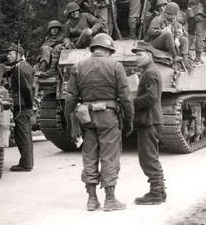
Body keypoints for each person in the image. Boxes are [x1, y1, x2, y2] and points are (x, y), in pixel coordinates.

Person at [64, 33, 134, 211]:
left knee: (89, 155)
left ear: (93, 48)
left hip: (86, 117)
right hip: (108, 117)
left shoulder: (78, 66)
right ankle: (110, 200)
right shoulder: (116, 66)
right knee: (109, 156)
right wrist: (129, 120)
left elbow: (71, 98)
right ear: (109, 50)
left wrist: (69, 120)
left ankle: (92, 199)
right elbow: (126, 97)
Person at [131, 41, 166, 205]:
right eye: (136, 54)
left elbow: (151, 98)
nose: (136, 58)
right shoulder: (148, 71)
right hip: (150, 120)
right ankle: (160, 191)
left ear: (149, 55)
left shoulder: (150, 73)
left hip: (149, 121)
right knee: (151, 157)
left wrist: (132, 103)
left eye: (139, 54)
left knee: (148, 158)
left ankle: (155, 194)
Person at [6, 43, 34, 172]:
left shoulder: (18, 68)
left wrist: (28, 104)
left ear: (19, 55)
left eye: (10, 53)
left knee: (22, 135)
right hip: (25, 106)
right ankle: (26, 162)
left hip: (22, 107)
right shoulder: (28, 66)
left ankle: (26, 164)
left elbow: (26, 88)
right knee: (25, 135)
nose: (8, 56)